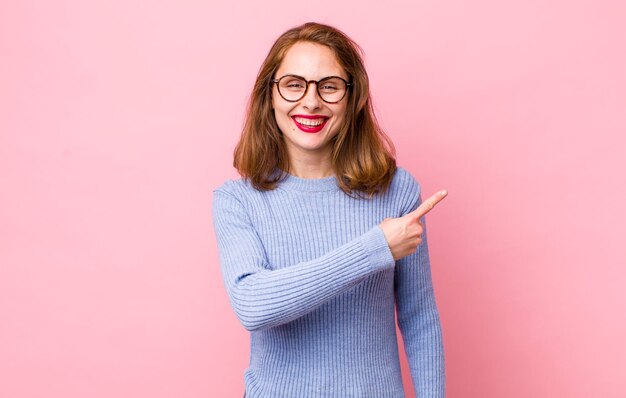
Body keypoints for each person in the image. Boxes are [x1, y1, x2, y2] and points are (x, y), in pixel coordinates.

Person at [212, 21, 448, 398]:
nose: (310, 101)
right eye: (293, 84)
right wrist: (375, 248)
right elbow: (253, 305)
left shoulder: (398, 191)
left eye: (329, 86)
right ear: (269, 96)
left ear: (352, 98)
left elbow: (420, 318)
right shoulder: (237, 200)